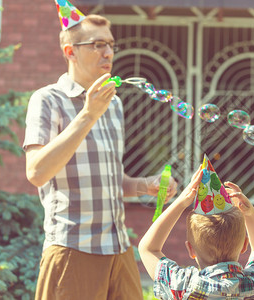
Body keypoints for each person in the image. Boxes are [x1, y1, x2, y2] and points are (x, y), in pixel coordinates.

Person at [23, 12, 177, 300]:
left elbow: (110, 179)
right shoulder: (47, 100)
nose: (108, 53)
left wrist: (145, 185)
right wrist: (88, 114)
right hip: (72, 249)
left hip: (119, 249)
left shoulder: (114, 104)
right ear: (71, 52)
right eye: (97, 44)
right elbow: (36, 172)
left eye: (111, 45)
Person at [138, 166, 254, 299]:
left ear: (191, 249)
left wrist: (181, 202)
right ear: (244, 244)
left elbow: (148, 249)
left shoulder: (185, 286)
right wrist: (249, 213)